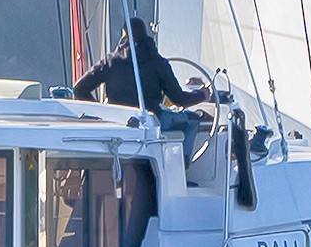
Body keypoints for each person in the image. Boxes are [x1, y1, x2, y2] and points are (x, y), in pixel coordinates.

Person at [73, 18, 211, 162]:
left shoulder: (110, 62)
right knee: (192, 120)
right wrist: (202, 95)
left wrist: (101, 115)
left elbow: (79, 89)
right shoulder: (157, 62)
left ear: (124, 35)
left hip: (117, 121)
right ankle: (181, 165)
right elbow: (179, 99)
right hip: (151, 121)